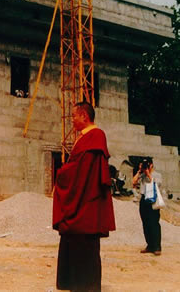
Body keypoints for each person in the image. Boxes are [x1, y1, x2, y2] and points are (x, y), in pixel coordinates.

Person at [52, 101, 115, 292]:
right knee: (73, 243)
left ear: (84, 116)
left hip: (87, 203)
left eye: (73, 116)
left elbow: (83, 171)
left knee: (85, 247)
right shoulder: (84, 137)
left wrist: (62, 173)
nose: (71, 120)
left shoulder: (96, 136)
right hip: (79, 201)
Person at [132, 158, 163, 256]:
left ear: (151, 165)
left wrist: (148, 174)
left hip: (153, 199)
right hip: (144, 199)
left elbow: (156, 184)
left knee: (154, 223)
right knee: (145, 223)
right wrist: (139, 171)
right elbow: (133, 182)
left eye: (147, 164)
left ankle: (157, 246)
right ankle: (149, 245)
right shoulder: (142, 175)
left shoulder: (157, 175)